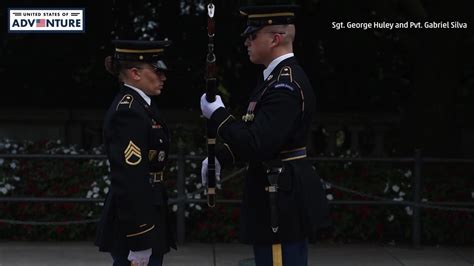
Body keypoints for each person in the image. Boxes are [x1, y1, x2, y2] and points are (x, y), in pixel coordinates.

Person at [200, 5, 330, 266]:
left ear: (275, 39)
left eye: (253, 35)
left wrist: (219, 115)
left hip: (280, 199)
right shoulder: (273, 81)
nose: (247, 41)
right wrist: (222, 157)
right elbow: (265, 136)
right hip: (275, 193)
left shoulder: (284, 86)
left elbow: (259, 144)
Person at [95, 40, 176, 266]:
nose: (163, 77)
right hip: (136, 222)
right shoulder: (129, 111)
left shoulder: (142, 106)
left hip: (148, 210)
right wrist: (140, 239)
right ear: (135, 73)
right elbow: (130, 178)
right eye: (157, 71)